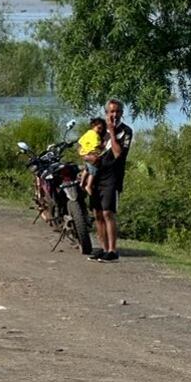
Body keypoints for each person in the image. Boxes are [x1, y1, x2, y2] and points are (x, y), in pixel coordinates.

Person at [89, 98, 133, 263]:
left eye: (117, 111)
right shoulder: (99, 130)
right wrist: (88, 157)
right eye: (111, 111)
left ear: (121, 113)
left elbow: (117, 153)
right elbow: (87, 147)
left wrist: (112, 132)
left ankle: (113, 250)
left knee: (108, 212)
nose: (114, 115)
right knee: (97, 213)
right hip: (97, 175)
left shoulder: (125, 131)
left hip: (113, 176)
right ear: (106, 113)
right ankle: (104, 248)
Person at [78, 116, 106, 195]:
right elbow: (96, 145)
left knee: (86, 170)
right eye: (99, 128)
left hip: (85, 154)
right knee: (93, 171)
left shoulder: (88, 133)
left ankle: (82, 183)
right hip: (91, 154)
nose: (100, 130)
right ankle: (88, 185)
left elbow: (80, 141)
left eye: (101, 129)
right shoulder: (95, 135)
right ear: (94, 126)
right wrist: (103, 146)